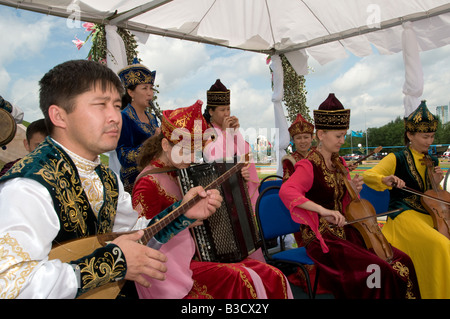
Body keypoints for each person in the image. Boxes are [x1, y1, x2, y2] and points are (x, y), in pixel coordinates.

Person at [0, 60, 222, 299]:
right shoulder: (28, 187)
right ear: (59, 116)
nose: (115, 117)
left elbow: (137, 234)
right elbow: (12, 286)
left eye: (116, 106)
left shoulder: (106, 178)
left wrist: (183, 213)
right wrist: (114, 261)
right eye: (100, 105)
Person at [132, 100, 292, 299]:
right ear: (165, 144)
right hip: (168, 272)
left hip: (198, 257)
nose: (191, 158)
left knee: (273, 275)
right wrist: (184, 222)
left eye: (194, 151)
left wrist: (236, 178)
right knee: (243, 279)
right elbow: (142, 238)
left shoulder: (182, 172)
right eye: (185, 150)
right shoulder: (148, 183)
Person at [279, 93, 421, 299]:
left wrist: (352, 188)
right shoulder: (308, 165)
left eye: (343, 135)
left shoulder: (340, 163)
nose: (342, 141)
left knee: (402, 260)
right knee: (377, 270)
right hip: (322, 238)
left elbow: (345, 203)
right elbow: (286, 191)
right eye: (338, 136)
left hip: (346, 230)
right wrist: (322, 210)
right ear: (321, 134)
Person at [363, 100, 450, 299]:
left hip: (430, 215)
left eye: (432, 136)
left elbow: (431, 196)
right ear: (410, 135)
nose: (430, 141)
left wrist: (435, 183)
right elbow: (369, 175)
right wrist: (385, 179)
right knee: (441, 245)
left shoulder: (433, 160)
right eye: (425, 136)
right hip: (403, 215)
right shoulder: (397, 158)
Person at [202, 79, 259, 209]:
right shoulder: (206, 131)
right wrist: (226, 133)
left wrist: (235, 132)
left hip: (238, 188)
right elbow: (214, 159)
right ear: (211, 111)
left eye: (228, 109)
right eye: (222, 110)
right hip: (220, 195)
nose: (227, 113)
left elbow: (244, 156)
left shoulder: (229, 129)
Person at [116, 58, 160, 193]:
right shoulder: (124, 117)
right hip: (135, 181)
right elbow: (124, 156)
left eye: (151, 88)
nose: (150, 93)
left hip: (157, 175)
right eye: (144, 88)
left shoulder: (152, 118)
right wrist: (152, 142)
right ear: (131, 92)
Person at [282, 113, 314, 182]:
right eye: (298, 138)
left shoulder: (317, 157)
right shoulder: (290, 161)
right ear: (293, 141)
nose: (302, 141)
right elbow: (287, 186)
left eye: (306, 137)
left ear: (312, 138)